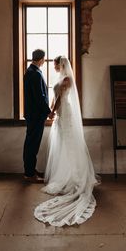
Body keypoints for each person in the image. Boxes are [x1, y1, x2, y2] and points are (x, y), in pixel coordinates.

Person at [34, 56, 100, 226]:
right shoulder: (59, 78)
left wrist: (52, 112)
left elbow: (61, 97)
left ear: (61, 64)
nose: (54, 66)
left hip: (65, 113)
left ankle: (75, 177)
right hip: (60, 113)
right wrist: (51, 109)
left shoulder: (67, 79)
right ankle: (65, 173)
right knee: (63, 144)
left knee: (70, 144)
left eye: (55, 64)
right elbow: (55, 96)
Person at [23, 49, 53, 183]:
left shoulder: (31, 72)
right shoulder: (34, 74)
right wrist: (48, 111)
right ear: (42, 59)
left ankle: (30, 170)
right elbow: (39, 97)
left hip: (32, 115)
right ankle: (29, 174)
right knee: (32, 145)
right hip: (35, 116)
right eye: (44, 59)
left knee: (31, 143)